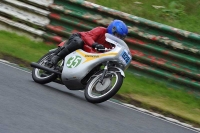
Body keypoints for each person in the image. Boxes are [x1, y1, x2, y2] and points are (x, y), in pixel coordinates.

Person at [50, 19, 128, 65]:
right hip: (79, 38)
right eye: (117, 35)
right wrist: (95, 44)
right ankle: (57, 57)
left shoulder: (113, 45)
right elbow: (88, 37)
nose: (118, 38)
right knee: (78, 42)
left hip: (88, 54)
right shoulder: (101, 30)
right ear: (112, 29)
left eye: (120, 37)